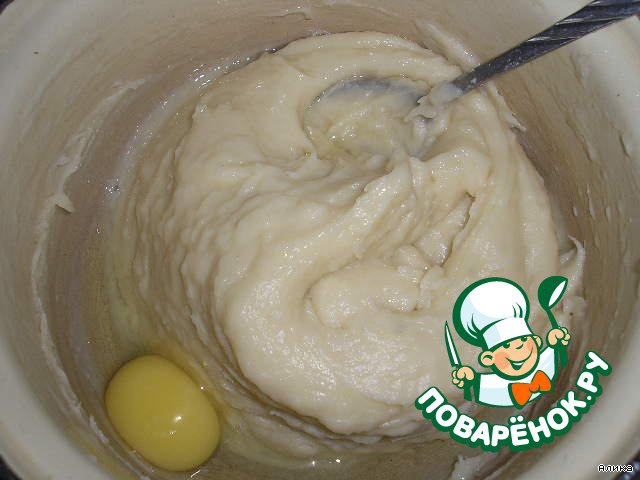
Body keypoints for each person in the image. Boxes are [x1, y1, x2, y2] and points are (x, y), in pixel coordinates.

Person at [450, 278, 570, 408]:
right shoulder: (494, 387)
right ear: (488, 358)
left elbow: (559, 355)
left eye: (523, 340)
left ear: (536, 341)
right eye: (507, 345)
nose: (518, 350)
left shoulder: (544, 364)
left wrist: (557, 341)